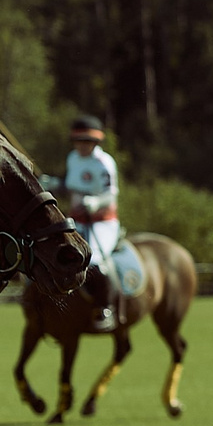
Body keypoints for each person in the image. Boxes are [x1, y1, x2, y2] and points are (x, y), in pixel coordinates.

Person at [61, 117, 124, 330]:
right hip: (76, 220)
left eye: (87, 141)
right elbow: (71, 186)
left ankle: (105, 308)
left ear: (96, 142)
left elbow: (111, 195)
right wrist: (55, 183)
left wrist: (96, 202)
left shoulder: (104, 163)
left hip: (102, 222)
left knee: (93, 260)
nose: (82, 146)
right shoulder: (73, 158)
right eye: (78, 141)